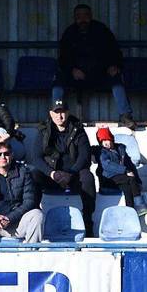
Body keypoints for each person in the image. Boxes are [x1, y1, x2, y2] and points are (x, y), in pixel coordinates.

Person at [55, 4, 135, 129]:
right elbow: (62, 58)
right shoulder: (69, 33)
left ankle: (126, 116)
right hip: (77, 77)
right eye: (79, 16)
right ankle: (57, 116)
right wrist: (71, 70)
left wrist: (114, 65)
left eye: (85, 16)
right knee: (58, 80)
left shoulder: (101, 30)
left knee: (116, 78)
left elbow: (115, 51)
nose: (82, 19)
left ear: (91, 16)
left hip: (100, 74)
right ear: (74, 18)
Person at [28, 99, 96, 237]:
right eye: (56, 112)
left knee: (88, 177)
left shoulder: (78, 129)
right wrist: (51, 173)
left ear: (68, 112)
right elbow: (36, 157)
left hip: (73, 175)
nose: (60, 116)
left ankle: (88, 222)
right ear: (51, 114)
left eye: (63, 112)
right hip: (52, 175)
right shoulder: (44, 130)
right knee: (33, 175)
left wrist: (70, 173)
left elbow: (85, 156)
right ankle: (34, 220)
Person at [92, 127, 147, 216]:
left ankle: (131, 211)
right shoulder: (102, 152)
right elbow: (107, 165)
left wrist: (138, 181)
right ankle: (140, 204)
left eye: (107, 139)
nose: (105, 143)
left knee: (127, 188)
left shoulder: (121, 148)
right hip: (108, 178)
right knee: (130, 179)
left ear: (111, 139)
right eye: (102, 141)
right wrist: (125, 170)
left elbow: (130, 165)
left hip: (121, 178)